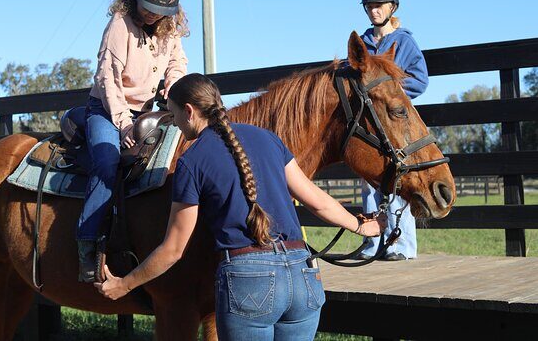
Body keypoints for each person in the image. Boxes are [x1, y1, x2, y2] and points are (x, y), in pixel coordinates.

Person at [94, 73, 386, 340]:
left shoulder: (191, 161)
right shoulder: (270, 139)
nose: (175, 124)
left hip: (249, 282)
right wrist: (362, 226)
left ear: (189, 112)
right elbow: (318, 201)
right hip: (303, 277)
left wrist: (126, 284)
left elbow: (173, 250)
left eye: (172, 114)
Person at [77, 0, 189, 282]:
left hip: (150, 109)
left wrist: (175, 86)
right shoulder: (119, 24)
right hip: (107, 110)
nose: (154, 14)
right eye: (149, 7)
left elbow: (177, 63)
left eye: (160, 10)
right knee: (108, 162)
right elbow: (109, 79)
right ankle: (86, 242)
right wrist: (123, 123)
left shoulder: (170, 28)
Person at [357, 0, 429, 261]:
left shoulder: (405, 42)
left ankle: (400, 245)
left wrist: (390, 94)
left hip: (394, 122)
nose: (373, 11)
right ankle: (372, 242)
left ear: (391, 7)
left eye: (378, 6)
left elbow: (420, 80)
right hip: (369, 124)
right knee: (368, 182)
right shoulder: (362, 42)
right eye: (369, 6)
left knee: (398, 181)